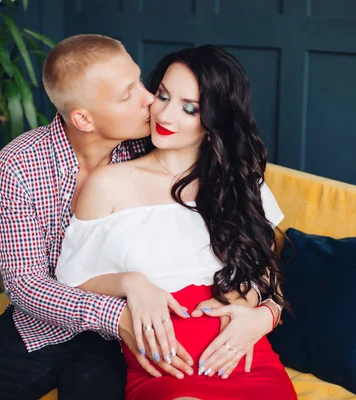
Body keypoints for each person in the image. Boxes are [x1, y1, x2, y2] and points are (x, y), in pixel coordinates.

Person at [0, 35, 263, 400]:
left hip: (122, 344)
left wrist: (264, 310)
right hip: (47, 329)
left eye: (139, 82)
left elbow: (234, 210)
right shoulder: (19, 165)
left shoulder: (157, 139)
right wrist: (118, 306)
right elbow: (25, 284)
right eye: (127, 93)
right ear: (83, 118)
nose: (151, 101)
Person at [55, 45, 297, 400]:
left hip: (244, 357)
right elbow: (71, 280)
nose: (165, 115)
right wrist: (131, 283)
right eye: (163, 96)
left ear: (214, 119)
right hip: (169, 368)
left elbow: (265, 271)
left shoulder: (240, 183)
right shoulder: (109, 182)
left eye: (189, 108)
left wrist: (264, 316)